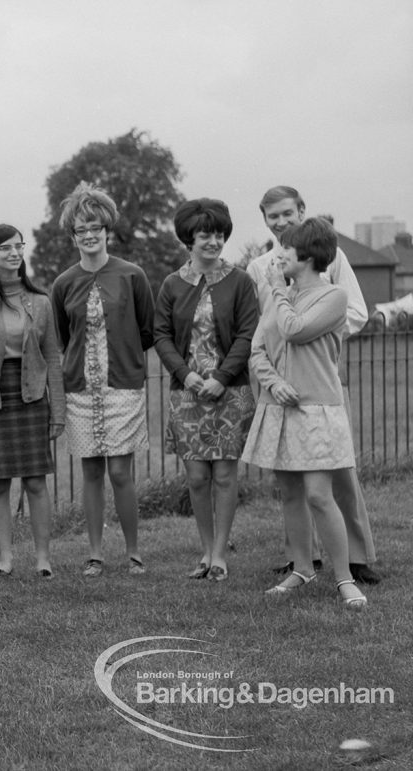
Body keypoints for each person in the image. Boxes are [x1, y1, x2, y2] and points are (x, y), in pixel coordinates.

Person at [247, 185, 380, 585]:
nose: (282, 222)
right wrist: (275, 373)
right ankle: (302, 562)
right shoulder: (262, 268)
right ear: (266, 221)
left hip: (322, 381)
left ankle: (355, 560)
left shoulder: (328, 254)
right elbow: (265, 333)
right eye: (274, 217)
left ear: (302, 211)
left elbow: (348, 310)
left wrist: (325, 338)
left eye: (288, 213)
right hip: (279, 386)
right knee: (291, 481)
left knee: (336, 477)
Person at [50, 184, 154, 578]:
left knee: (120, 472)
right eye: (81, 229)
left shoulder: (132, 275)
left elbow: (146, 330)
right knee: (90, 472)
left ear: (107, 229)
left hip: (122, 386)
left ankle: (134, 552)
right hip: (80, 389)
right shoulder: (63, 283)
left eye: (95, 226)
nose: (89, 234)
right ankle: (94, 554)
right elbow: (63, 336)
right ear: (72, 236)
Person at [154, 199, 258, 583]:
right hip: (187, 393)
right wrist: (188, 375)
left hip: (230, 392)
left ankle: (220, 555)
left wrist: (222, 376)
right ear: (189, 239)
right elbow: (161, 336)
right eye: (205, 235)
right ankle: (204, 548)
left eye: (219, 234)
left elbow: (248, 333)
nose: (214, 242)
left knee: (226, 476)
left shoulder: (241, 281)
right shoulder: (171, 284)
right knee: (197, 476)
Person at [0, 224, 65, 578]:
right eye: (4, 248)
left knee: (36, 480)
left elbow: (53, 358)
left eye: (18, 246)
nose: (13, 253)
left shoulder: (40, 301)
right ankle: (5, 559)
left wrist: (58, 411)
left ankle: (42, 559)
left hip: (32, 394)